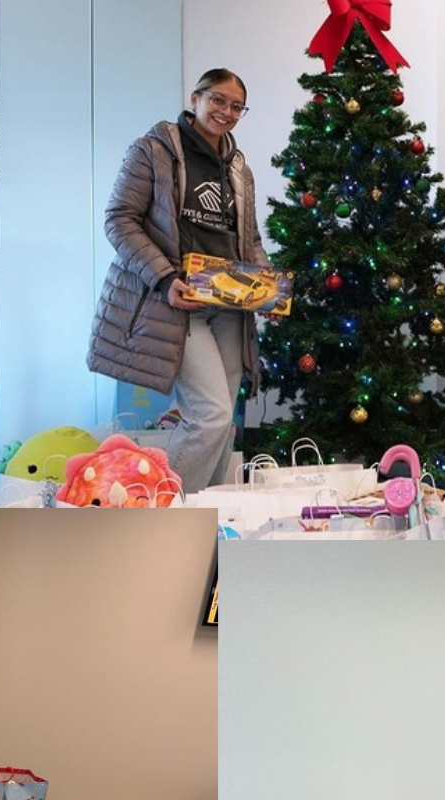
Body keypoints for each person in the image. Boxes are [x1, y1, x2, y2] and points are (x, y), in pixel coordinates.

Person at [85, 69, 269, 492]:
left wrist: (265, 292)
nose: (226, 111)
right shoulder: (153, 150)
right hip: (177, 301)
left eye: (236, 106)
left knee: (224, 422)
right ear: (195, 98)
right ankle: (163, 505)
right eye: (218, 100)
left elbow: (250, 239)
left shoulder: (239, 168)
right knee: (210, 416)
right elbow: (119, 220)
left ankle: (207, 510)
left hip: (229, 303)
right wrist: (165, 277)